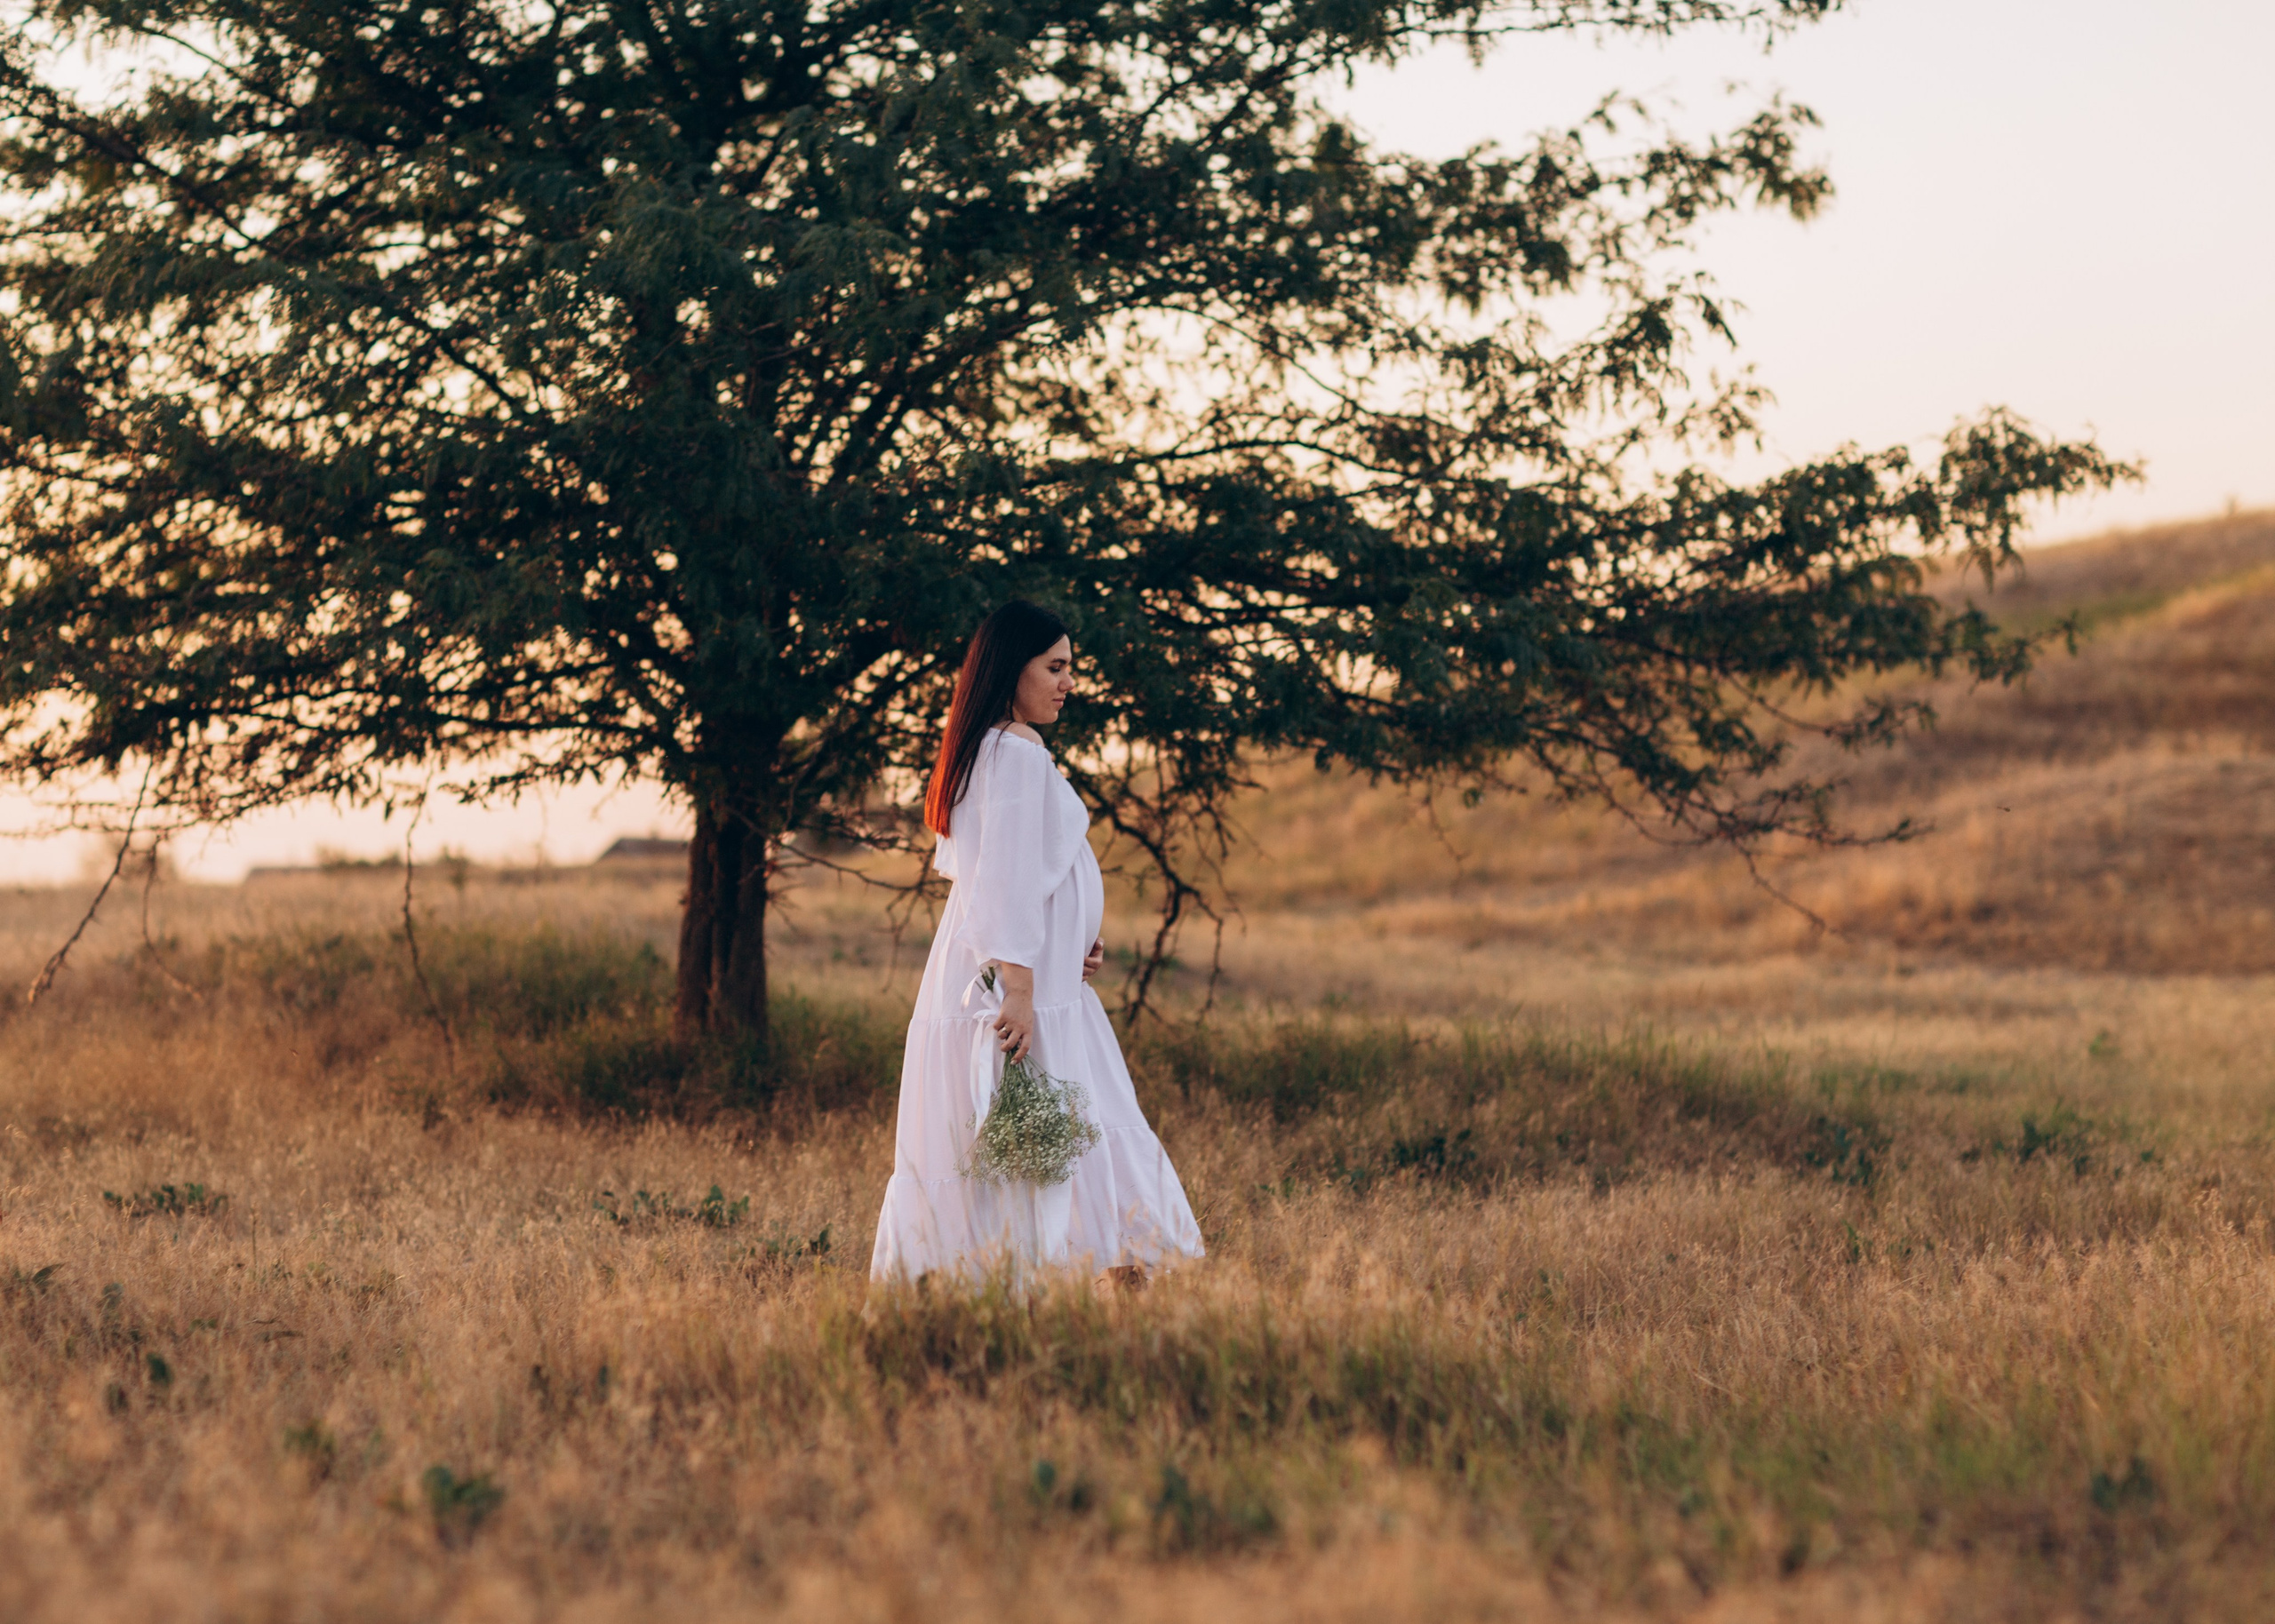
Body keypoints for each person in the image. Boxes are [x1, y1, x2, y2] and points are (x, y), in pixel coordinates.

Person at [868, 601, 1205, 1287]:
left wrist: (1066, 942)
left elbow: (1004, 877)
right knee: (1071, 1141)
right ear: (1007, 670)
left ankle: (1029, 1303)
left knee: (1064, 1142)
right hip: (1022, 994)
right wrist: (1022, 988)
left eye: (1071, 669)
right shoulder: (1017, 750)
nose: (1069, 683)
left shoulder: (984, 750)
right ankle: (1101, 1317)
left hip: (1037, 981)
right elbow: (1006, 885)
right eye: (1054, 667)